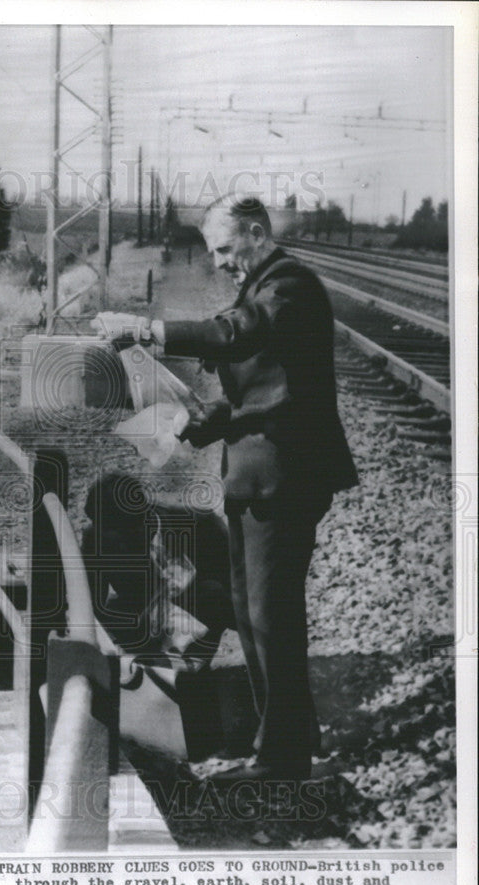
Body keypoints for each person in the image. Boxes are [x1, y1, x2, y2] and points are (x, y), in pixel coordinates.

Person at [93, 196, 358, 783]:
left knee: (269, 614)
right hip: (258, 474)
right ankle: (289, 735)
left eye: (224, 248)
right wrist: (200, 422)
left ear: (257, 234)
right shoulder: (265, 284)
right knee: (254, 609)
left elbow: (236, 334)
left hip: (283, 478)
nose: (218, 262)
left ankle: (283, 758)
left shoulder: (287, 286)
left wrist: (146, 328)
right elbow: (258, 391)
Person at [80, 472, 243, 761]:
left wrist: (187, 617)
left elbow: (235, 590)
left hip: (200, 609)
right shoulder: (97, 536)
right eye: (102, 531)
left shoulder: (196, 525)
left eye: (119, 537)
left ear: (143, 520)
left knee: (210, 597)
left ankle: (204, 735)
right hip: (142, 615)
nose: (112, 544)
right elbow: (91, 605)